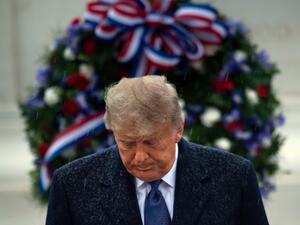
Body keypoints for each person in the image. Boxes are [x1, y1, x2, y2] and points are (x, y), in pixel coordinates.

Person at [46, 75, 269, 225]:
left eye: (151, 142)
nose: (140, 157)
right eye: (127, 143)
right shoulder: (72, 185)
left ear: (178, 129)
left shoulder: (234, 176)